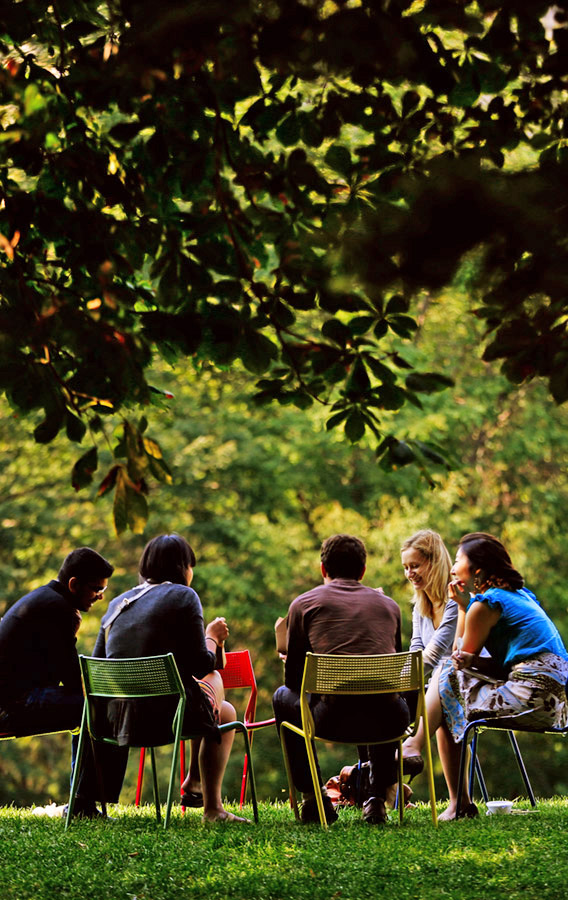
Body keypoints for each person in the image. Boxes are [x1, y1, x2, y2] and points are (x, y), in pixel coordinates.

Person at [72, 533, 248, 823]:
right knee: (216, 685)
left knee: (224, 712)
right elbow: (201, 664)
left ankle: (196, 785)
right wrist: (213, 638)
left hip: (117, 723)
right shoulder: (184, 596)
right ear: (184, 568)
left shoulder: (118, 603)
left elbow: (99, 668)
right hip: (168, 719)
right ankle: (210, 806)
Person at [272, 533, 410, 825]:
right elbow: (393, 671)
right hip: (389, 720)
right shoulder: (389, 606)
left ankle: (314, 798)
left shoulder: (304, 604)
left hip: (331, 719)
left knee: (282, 696)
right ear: (363, 572)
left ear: (323, 569)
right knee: (385, 695)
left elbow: (295, 681)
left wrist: (312, 669)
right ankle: (376, 799)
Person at [429, 532, 568, 820]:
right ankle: (454, 797)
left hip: (529, 697)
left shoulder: (486, 603)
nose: (453, 569)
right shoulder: (522, 597)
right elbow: (501, 667)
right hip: (557, 706)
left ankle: (418, 751)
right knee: (448, 687)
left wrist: (461, 606)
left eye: (457, 561)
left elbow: (459, 657)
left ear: (477, 570)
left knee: (445, 674)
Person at [0, 548, 113, 737]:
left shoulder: (45, 598)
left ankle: (84, 767)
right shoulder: (58, 607)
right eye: (96, 589)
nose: (100, 596)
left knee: (89, 703)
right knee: (98, 706)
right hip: (11, 707)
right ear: (74, 584)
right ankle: (88, 768)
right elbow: (72, 678)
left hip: (12, 699)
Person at [399, 530, 457, 779]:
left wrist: (399, 683)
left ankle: (413, 745)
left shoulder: (455, 602)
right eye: (405, 567)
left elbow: (432, 656)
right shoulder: (419, 606)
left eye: (415, 566)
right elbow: (416, 650)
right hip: (434, 685)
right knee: (385, 706)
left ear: (434, 563)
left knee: (443, 672)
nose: (409, 573)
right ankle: (383, 790)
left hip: (461, 681)